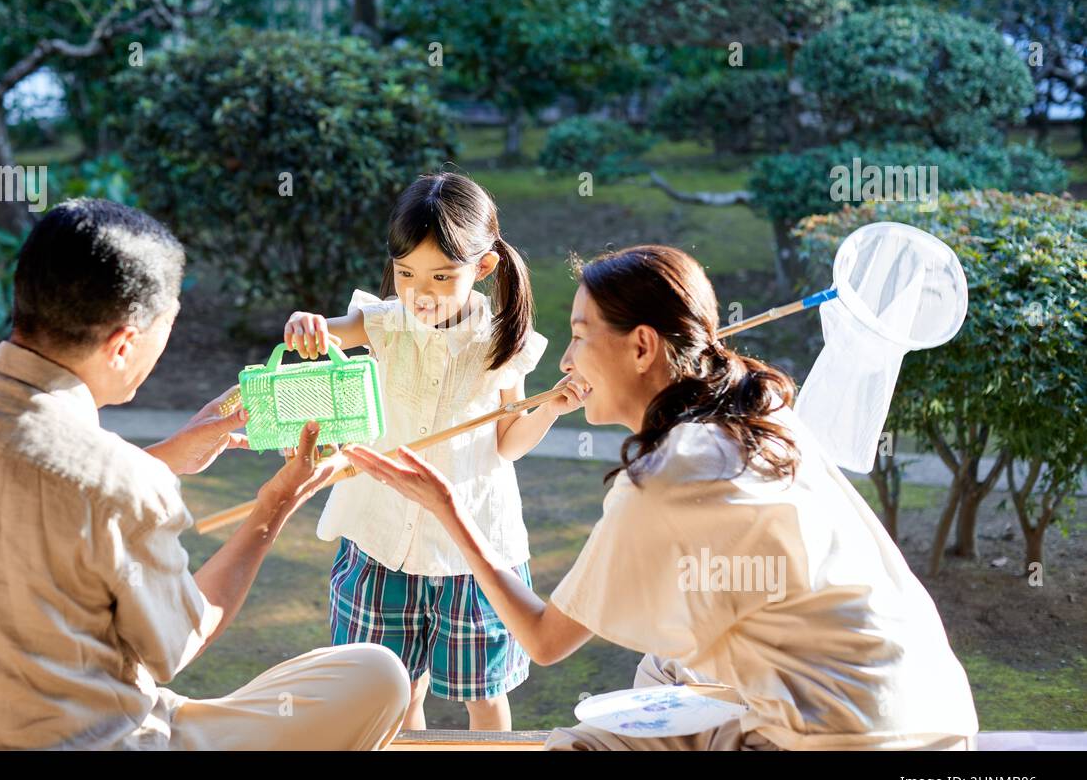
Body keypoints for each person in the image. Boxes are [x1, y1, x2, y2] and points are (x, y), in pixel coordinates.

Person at [342, 243, 980, 750]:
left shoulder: (665, 479)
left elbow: (543, 639)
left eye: (581, 335)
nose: (566, 361)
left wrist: (447, 510)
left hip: (841, 738)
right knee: (665, 672)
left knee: (587, 739)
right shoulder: (765, 410)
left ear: (642, 345)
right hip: (934, 714)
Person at [0, 198, 410, 750]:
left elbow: (23, 488)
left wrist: (169, 455)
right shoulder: (121, 486)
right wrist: (273, 508)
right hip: (100, 739)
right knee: (377, 676)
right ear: (123, 344)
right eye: (165, 330)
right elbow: (179, 642)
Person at [282, 173, 585, 731]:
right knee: (395, 695)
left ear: (484, 268)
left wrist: (549, 410)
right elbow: (326, 332)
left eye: (442, 276)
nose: (420, 293)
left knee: (485, 698)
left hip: (471, 549)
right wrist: (307, 324)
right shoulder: (383, 324)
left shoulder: (501, 340)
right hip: (379, 541)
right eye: (406, 274)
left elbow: (507, 442)